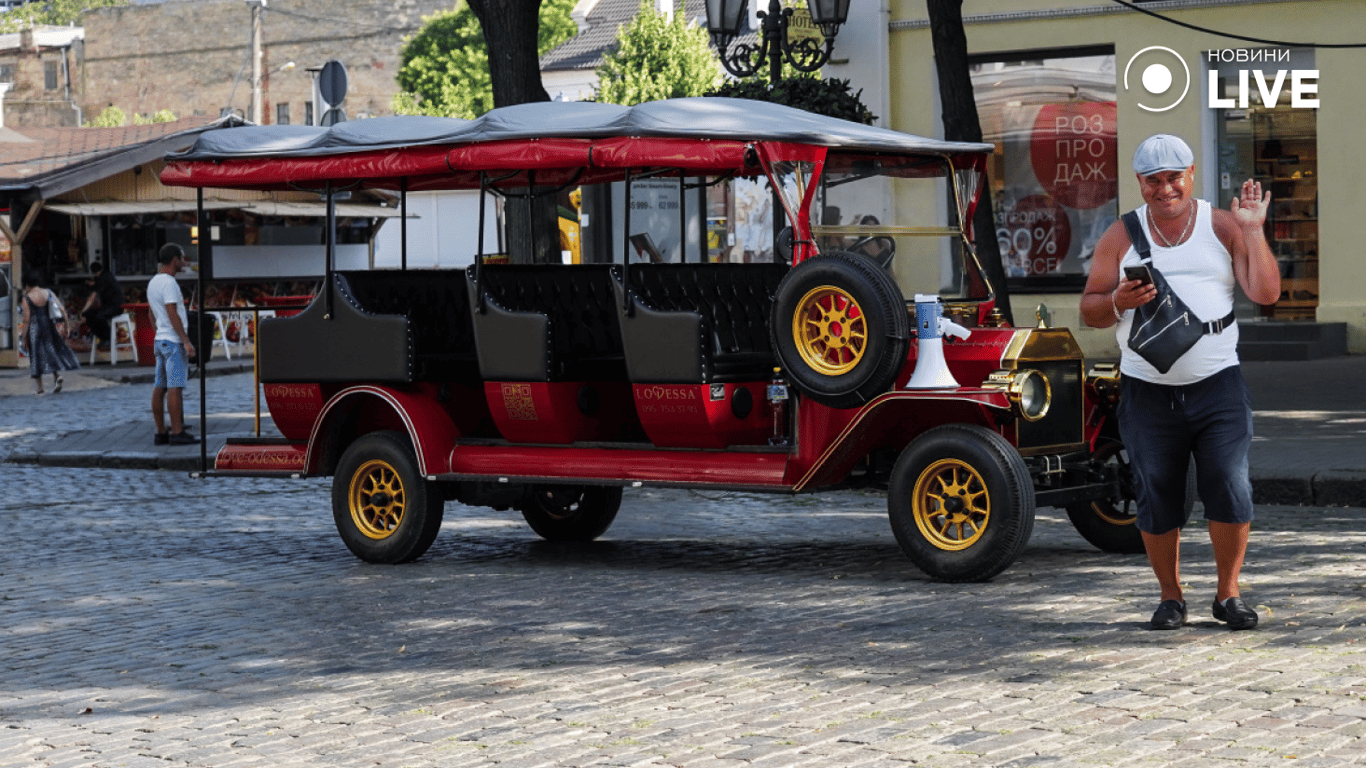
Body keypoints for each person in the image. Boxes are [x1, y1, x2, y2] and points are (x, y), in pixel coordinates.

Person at [1080, 134, 1281, 631]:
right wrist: (1118, 303)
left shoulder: (1221, 225)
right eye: (1154, 181)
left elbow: (1266, 292)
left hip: (1218, 384)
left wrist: (1252, 232)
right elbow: (1090, 310)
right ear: (1140, 183)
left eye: (1174, 178)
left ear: (1191, 174)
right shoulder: (1120, 235)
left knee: (1230, 486)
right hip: (1147, 388)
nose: (1165, 189)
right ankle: (1171, 596)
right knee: (1156, 491)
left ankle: (1228, 594)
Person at [147, 243, 198, 445]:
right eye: (182, 258)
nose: (184, 262)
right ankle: (177, 433)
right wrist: (185, 341)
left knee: (160, 387)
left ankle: (160, 432)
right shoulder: (169, 283)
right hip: (173, 341)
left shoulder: (153, 282)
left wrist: (159, 331)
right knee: (175, 387)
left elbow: (151, 312)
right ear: (174, 259)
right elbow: (172, 312)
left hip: (160, 339)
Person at [18, 272, 80, 395]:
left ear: (27, 284)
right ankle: (57, 377)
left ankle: (40, 389)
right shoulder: (48, 292)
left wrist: (24, 337)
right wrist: (67, 326)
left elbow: (26, 319)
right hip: (48, 326)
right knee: (51, 351)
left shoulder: (27, 298)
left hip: (34, 329)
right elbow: (62, 309)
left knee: (36, 356)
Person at [81, 261, 125, 349]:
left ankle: (108, 338)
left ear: (95, 273)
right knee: (89, 316)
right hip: (109, 306)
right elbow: (96, 286)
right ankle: (104, 338)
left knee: (98, 316)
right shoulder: (105, 276)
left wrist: (83, 311)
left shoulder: (104, 278)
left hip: (115, 307)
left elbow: (92, 298)